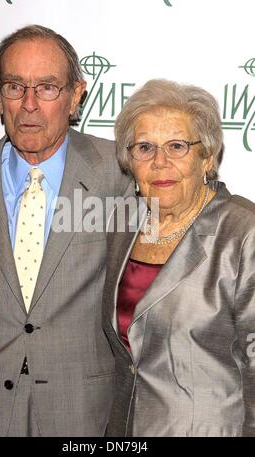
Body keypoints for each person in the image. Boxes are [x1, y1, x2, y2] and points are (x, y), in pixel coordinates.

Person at [0, 24, 131, 436]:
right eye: (16, 87)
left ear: (76, 95)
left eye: (48, 87)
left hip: (84, 414)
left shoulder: (122, 176)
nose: (29, 104)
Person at [103, 79, 255, 437]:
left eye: (177, 146)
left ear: (208, 157)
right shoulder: (123, 222)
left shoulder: (243, 233)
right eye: (144, 147)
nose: (160, 162)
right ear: (130, 160)